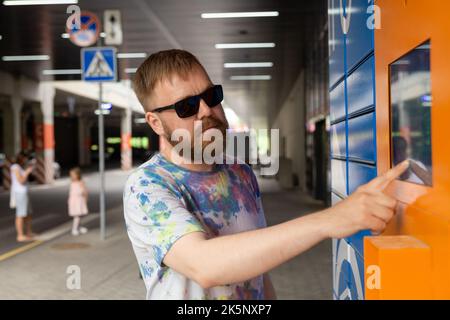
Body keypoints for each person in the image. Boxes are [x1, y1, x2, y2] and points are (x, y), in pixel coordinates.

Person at [123, 49, 409, 300]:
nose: (207, 110)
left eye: (211, 96)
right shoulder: (147, 186)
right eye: (186, 106)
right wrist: (330, 220)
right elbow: (205, 266)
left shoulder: (240, 173)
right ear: (156, 123)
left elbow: (257, 271)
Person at [10, 151, 35, 242]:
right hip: (19, 193)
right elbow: (21, 180)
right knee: (20, 214)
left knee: (28, 214)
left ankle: (29, 232)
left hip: (24, 192)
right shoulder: (15, 167)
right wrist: (27, 172)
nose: (26, 160)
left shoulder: (20, 167)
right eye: (25, 158)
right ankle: (20, 235)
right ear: (21, 158)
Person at [68, 167, 89, 236]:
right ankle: (75, 228)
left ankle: (78, 228)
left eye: (73, 175)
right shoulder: (72, 183)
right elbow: (71, 193)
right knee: (77, 215)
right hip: (73, 201)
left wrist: (85, 199)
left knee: (79, 215)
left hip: (79, 200)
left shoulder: (81, 182)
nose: (72, 176)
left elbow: (85, 192)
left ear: (78, 175)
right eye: (71, 175)